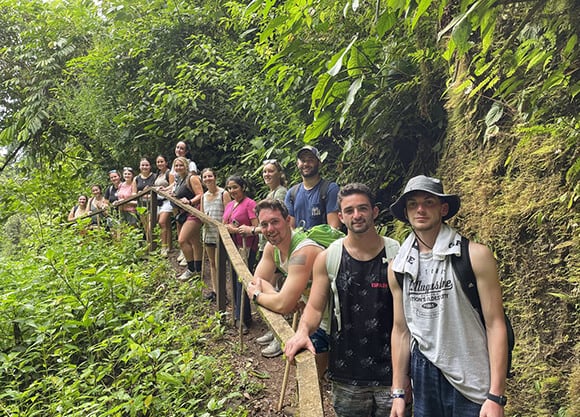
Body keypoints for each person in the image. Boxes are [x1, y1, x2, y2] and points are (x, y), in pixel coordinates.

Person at [388, 175, 508, 417]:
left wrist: (496, 395)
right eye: (413, 204)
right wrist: (399, 391)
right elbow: (401, 330)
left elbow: (496, 323)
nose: (420, 209)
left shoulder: (475, 256)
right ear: (406, 212)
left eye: (428, 202)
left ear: (443, 209)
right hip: (424, 371)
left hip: (471, 369)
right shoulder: (398, 267)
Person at [285, 183, 406, 417]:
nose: (357, 215)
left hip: (393, 373)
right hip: (346, 372)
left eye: (363, 208)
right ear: (340, 216)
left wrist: (404, 380)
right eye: (349, 211)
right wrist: (302, 332)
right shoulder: (328, 257)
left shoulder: (397, 254)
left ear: (375, 211)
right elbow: (315, 305)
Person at [246, 198, 325, 359]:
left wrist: (257, 296)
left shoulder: (302, 252)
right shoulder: (271, 247)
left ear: (288, 221)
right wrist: (280, 298)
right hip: (314, 313)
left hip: (335, 314)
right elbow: (257, 281)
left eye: (275, 222)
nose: (270, 229)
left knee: (313, 366)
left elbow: (282, 305)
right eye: (264, 224)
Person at [238, 159, 288, 356]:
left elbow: (277, 224)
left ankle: (280, 336)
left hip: (277, 245)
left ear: (279, 173)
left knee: (274, 290)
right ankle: (273, 329)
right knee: (268, 286)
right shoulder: (271, 193)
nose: (267, 174)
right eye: (264, 171)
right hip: (268, 246)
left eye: (271, 171)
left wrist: (252, 229)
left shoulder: (281, 193)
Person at [223, 175, 259, 334]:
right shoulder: (230, 204)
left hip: (246, 247)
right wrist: (229, 228)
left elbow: (256, 227)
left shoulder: (250, 204)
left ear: (243, 187)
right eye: (230, 188)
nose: (232, 191)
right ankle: (242, 316)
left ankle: (241, 319)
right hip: (232, 246)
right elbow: (225, 223)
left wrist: (238, 229)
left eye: (235, 187)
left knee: (241, 281)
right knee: (234, 278)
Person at [284, 145, 340, 230]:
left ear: (319, 163)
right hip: (299, 242)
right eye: (303, 160)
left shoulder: (330, 189)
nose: (306, 164)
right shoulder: (292, 193)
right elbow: (290, 228)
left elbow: (334, 229)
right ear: (297, 164)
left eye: (310, 160)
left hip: (324, 242)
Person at [200, 168, 231, 301]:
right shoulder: (203, 196)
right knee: (212, 263)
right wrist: (204, 219)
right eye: (205, 177)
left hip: (220, 233)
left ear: (215, 177)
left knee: (220, 264)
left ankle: (223, 291)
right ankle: (215, 290)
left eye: (210, 176)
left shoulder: (223, 193)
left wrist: (222, 226)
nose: (208, 179)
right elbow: (201, 214)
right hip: (208, 233)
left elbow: (229, 212)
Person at [173, 156, 204, 280]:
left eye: (181, 165)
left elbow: (200, 194)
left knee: (182, 240)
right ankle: (198, 269)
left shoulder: (192, 178)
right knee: (195, 242)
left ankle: (190, 269)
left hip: (194, 212)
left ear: (186, 166)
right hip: (186, 213)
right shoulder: (180, 179)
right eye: (176, 165)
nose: (179, 167)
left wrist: (190, 202)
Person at [154, 155, 175, 257]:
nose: (160, 164)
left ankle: (164, 247)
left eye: (161, 161)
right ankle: (169, 246)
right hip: (159, 201)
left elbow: (172, 186)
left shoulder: (169, 173)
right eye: (158, 162)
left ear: (166, 163)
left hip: (167, 201)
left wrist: (165, 190)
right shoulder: (158, 174)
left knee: (162, 222)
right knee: (166, 224)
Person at [133, 157, 158, 239]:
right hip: (141, 205)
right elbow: (134, 193)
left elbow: (157, 191)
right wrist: (139, 194)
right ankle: (149, 245)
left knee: (151, 226)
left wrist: (145, 194)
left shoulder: (155, 176)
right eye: (142, 165)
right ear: (139, 167)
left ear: (150, 166)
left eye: (146, 165)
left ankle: (153, 245)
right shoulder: (136, 179)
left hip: (152, 205)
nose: (144, 167)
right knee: (146, 227)